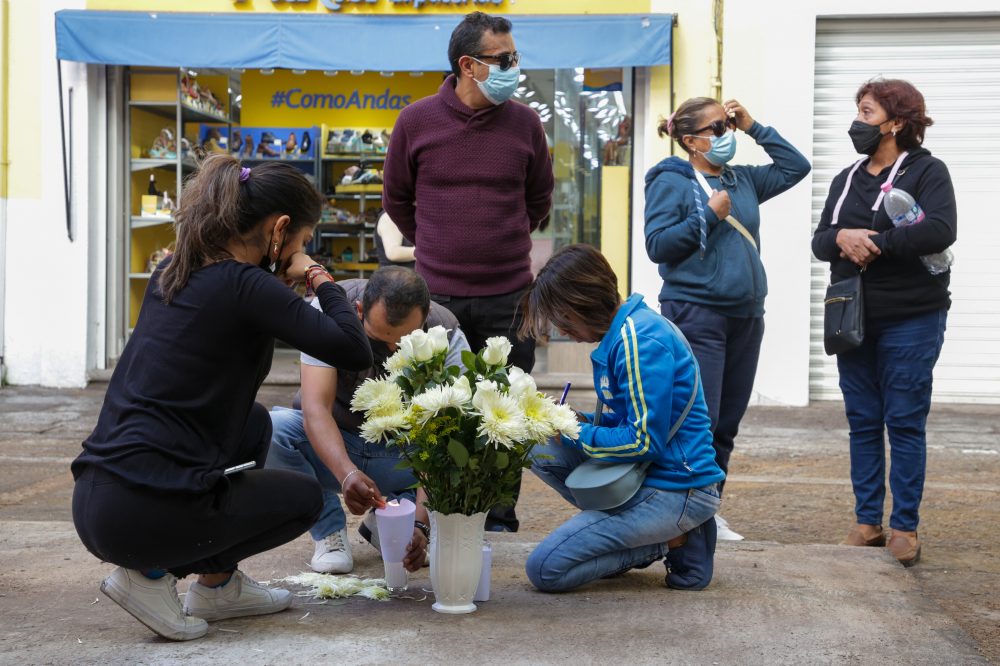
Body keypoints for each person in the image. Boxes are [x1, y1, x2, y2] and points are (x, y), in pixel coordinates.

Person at [70, 155, 372, 641]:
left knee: (253, 423)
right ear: (280, 230)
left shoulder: (175, 268)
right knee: (301, 500)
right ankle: (149, 576)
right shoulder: (245, 285)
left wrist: (276, 280)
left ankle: (219, 585)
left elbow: (224, 321)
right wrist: (317, 274)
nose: (302, 250)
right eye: (302, 241)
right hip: (138, 517)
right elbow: (353, 348)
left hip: (97, 498)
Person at [382, 10, 554, 532]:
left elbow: (539, 199)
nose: (513, 68)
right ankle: (442, 512)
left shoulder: (525, 123)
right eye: (504, 60)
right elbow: (399, 201)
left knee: (507, 406)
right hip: (437, 299)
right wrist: (443, 245)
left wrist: (497, 240)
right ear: (468, 65)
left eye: (515, 58)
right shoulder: (416, 121)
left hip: (509, 295)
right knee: (438, 410)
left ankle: (497, 515)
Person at [643, 97, 810, 540]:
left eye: (729, 124)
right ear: (691, 140)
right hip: (697, 312)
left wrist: (755, 126)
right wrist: (708, 216)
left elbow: (797, 167)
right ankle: (683, 513)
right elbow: (658, 245)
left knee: (728, 423)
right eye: (718, 128)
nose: (726, 134)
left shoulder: (743, 180)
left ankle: (708, 510)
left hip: (745, 315)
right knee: (701, 419)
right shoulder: (671, 180)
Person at [519, 244, 725, 593]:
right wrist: (571, 419)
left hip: (677, 488)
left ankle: (672, 538)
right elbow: (631, 419)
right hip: (645, 476)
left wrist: (577, 431)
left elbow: (644, 440)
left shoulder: (639, 340)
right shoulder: (623, 333)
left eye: (561, 318)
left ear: (580, 304)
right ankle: (632, 530)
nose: (559, 330)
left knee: (545, 570)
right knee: (537, 445)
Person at [812, 79, 956, 567]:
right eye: (858, 110)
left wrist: (873, 242)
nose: (858, 121)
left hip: (912, 317)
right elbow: (820, 240)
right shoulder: (847, 178)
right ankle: (867, 522)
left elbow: (940, 229)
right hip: (852, 318)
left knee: (905, 421)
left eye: (867, 112)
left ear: (896, 122)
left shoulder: (927, 170)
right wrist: (843, 237)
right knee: (863, 422)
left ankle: (905, 526)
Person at [266, 267, 470, 574]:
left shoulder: (448, 333)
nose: (390, 350)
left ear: (426, 316)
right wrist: (347, 475)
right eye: (378, 339)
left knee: (469, 443)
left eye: (404, 342)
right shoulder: (328, 309)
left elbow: (445, 439)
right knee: (271, 431)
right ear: (359, 310)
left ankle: (391, 521)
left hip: (401, 454)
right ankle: (329, 532)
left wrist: (421, 526)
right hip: (338, 440)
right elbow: (316, 409)